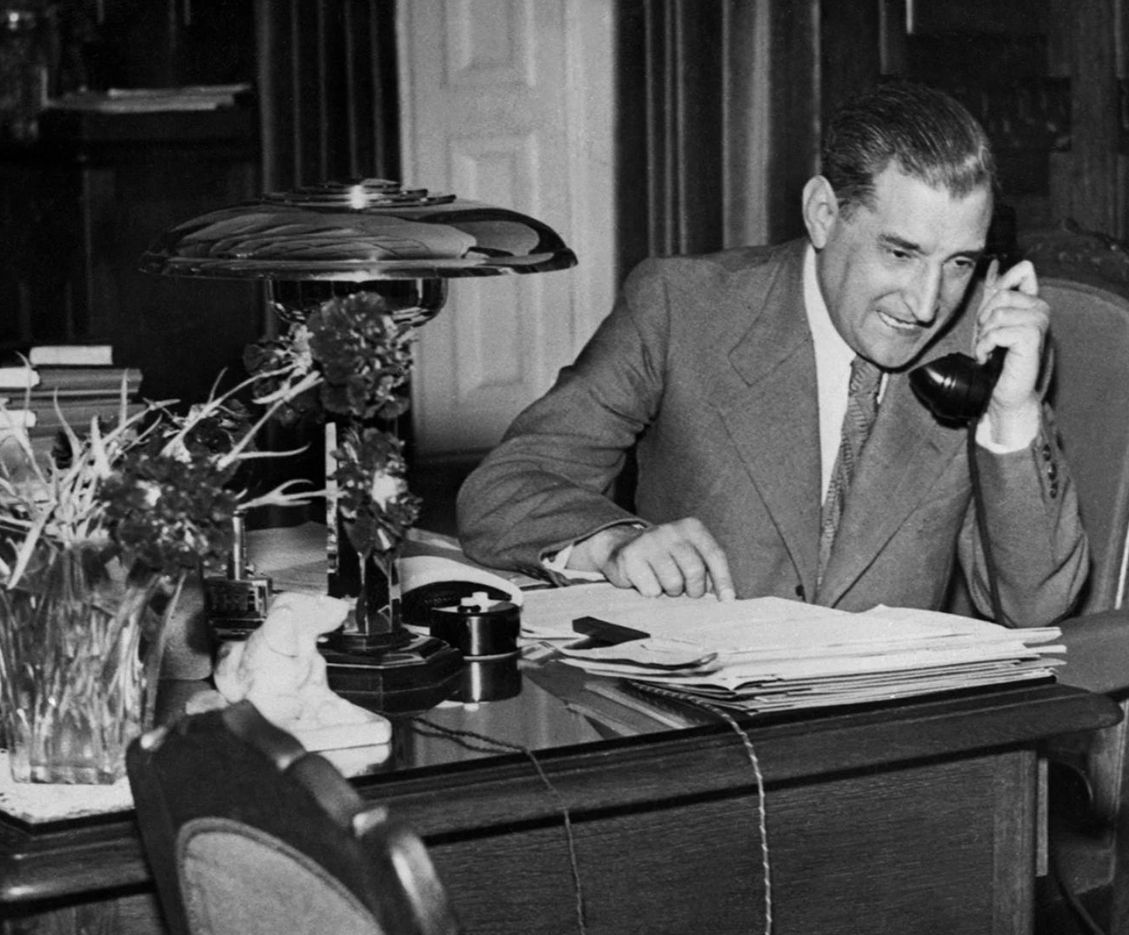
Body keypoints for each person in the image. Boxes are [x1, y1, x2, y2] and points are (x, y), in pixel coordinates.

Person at [457, 80, 1088, 627]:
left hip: (884, 730)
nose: (927, 304)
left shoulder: (982, 347)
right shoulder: (684, 308)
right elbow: (504, 490)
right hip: (702, 725)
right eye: (900, 253)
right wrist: (616, 542)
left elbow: (1033, 605)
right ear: (822, 213)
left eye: (958, 264)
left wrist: (1012, 415)